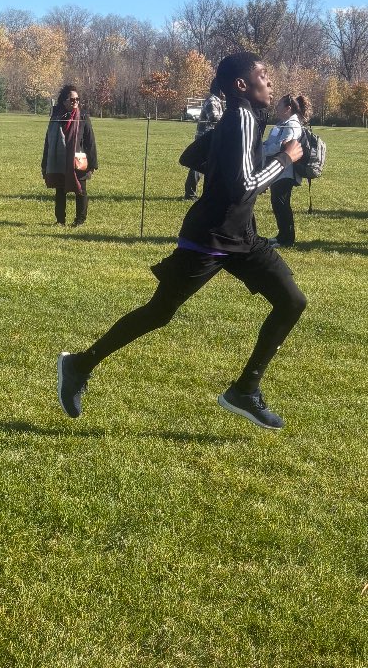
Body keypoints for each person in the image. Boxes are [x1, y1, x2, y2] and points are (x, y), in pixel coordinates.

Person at [56, 52, 306, 431]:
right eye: (263, 75)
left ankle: (245, 389)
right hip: (210, 238)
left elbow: (192, 154)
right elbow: (243, 187)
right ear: (241, 85)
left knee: (292, 301)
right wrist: (285, 160)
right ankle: (78, 365)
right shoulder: (239, 118)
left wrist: (222, 168)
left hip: (243, 236)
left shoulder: (246, 118)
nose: (271, 82)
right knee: (159, 312)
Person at [42, 84, 98, 226]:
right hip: (59, 160)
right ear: (64, 101)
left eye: (77, 99)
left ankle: (80, 220)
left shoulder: (83, 117)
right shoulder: (56, 117)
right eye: (72, 100)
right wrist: (45, 163)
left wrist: (92, 164)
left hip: (78, 160)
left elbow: (90, 142)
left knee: (81, 191)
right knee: (60, 191)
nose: (75, 102)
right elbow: (48, 140)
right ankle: (60, 220)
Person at [263, 93, 309, 248]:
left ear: (288, 108)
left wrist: (263, 150)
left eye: (279, 105)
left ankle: (287, 240)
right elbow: (272, 142)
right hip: (279, 170)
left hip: (286, 171)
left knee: (282, 203)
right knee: (277, 203)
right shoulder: (282, 123)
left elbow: (284, 146)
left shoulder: (292, 125)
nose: (276, 107)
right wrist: (263, 146)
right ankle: (282, 235)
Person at [184, 79, 224, 201]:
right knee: (198, 167)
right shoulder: (212, 101)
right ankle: (190, 194)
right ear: (220, 89)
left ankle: (194, 194)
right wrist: (229, 118)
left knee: (204, 166)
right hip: (206, 138)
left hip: (210, 138)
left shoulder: (217, 101)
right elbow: (214, 118)